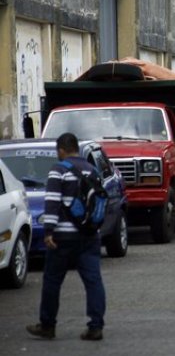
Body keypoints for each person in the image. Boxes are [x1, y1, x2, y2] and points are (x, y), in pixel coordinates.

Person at [26, 133, 106, 341]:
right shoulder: (93, 170)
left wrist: (49, 232)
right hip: (90, 235)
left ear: (61, 150)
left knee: (52, 280)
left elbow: (52, 201)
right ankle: (96, 326)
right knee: (93, 281)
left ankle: (47, 325)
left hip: (63, 237)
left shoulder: (58, 169)